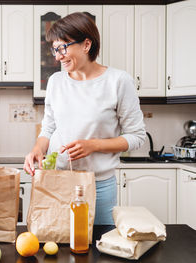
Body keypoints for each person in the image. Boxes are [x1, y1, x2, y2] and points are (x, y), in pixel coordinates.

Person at [23, 12, 146, 225]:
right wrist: (37, 149)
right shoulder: (55, 81)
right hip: (57, 180)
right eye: (55, 49)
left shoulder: (118, 81)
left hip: (98, 184)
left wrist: (94, 145)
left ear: (86, 44)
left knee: (97, 250)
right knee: (56, 248)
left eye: (62, 48)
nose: (57, 56)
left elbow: (137, 136)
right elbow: (49, 127)